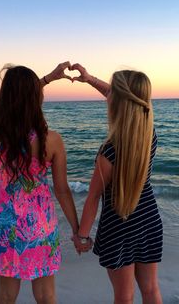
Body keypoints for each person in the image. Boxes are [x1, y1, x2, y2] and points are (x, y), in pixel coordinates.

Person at [0, 62, 79, 304]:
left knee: (5, 296)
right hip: (40, 228)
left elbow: (6, 108)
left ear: (5, 96)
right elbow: (62, 190)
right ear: (36, 97)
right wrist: (78, 231)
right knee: (46, 296)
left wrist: (45, 79)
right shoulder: (52, 141)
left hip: (5, 228)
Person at [71, 64, 163, 304]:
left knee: (124, 296)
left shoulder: (109, 152)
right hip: (149, 219)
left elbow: (93, 197)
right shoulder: (148, 134)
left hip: (118, 226)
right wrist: (90, 80)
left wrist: (82, 237)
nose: (107, 96)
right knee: (151, 290)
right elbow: (123, 97)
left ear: (119, 102)